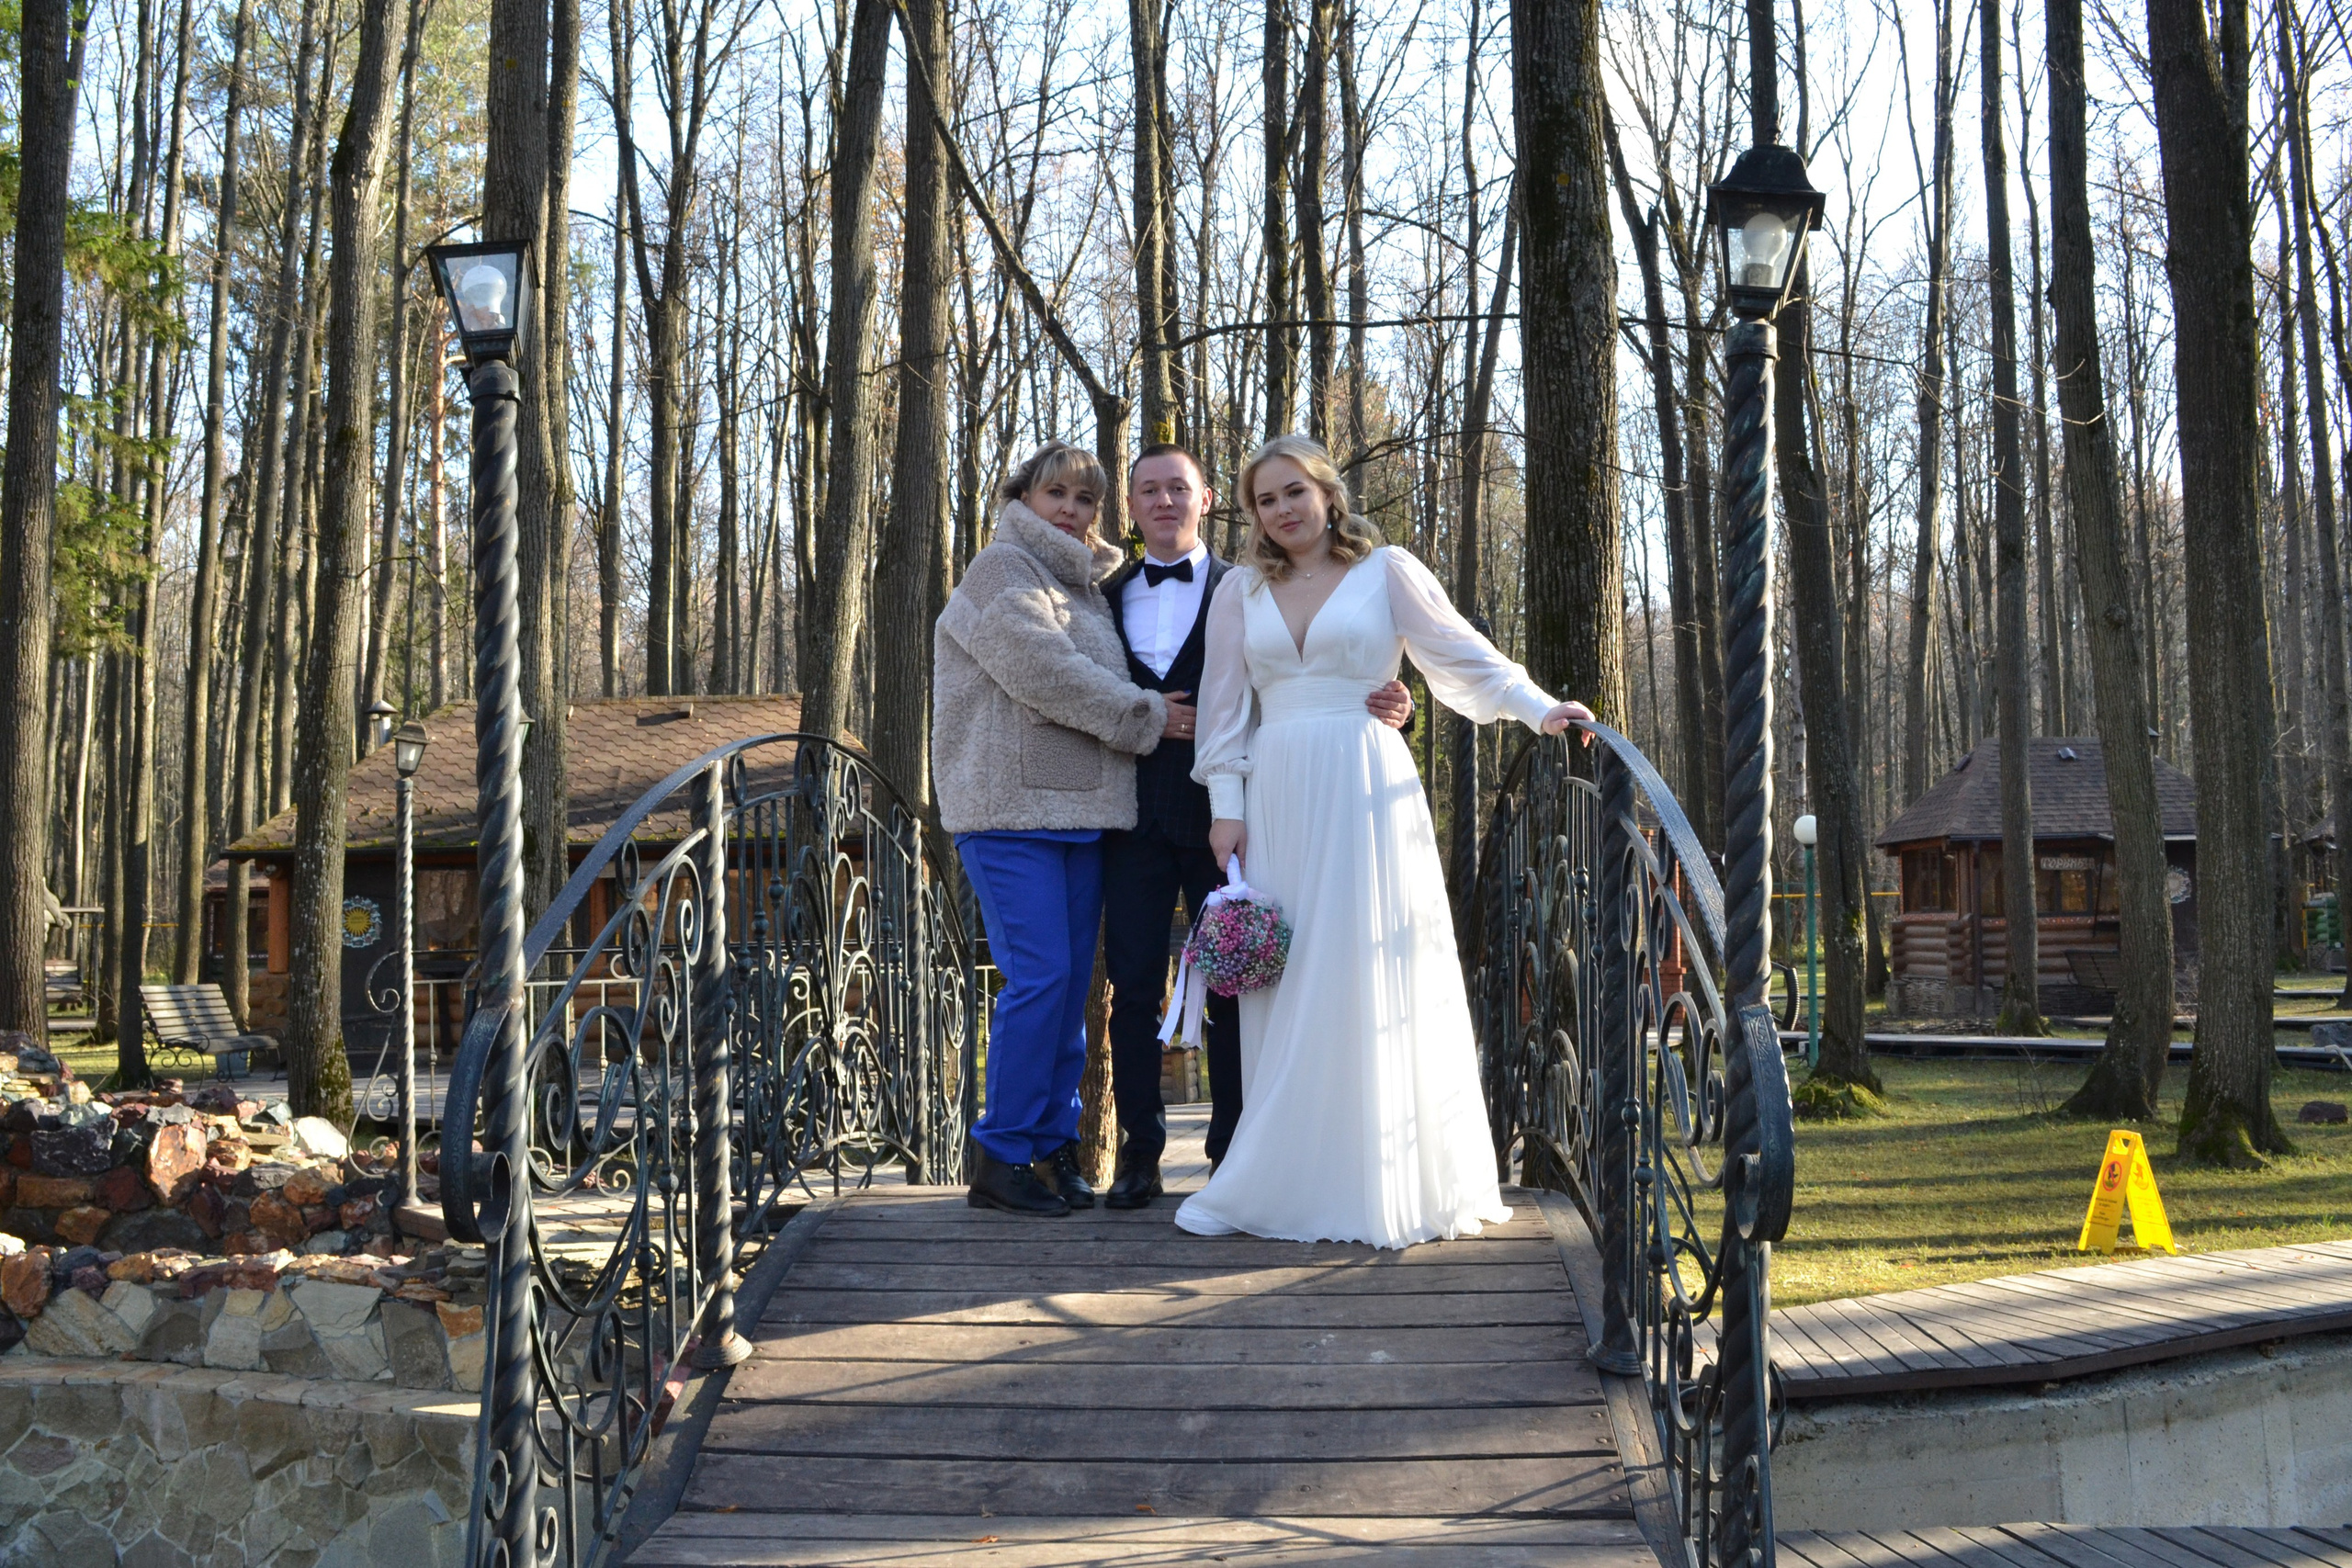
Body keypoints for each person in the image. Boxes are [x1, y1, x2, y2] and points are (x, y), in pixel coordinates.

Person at [1178, 434, 1594, 1248]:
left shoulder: (1386, 570)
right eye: (1265, 499)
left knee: (1367, 965)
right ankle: (1289, 1173)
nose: (1282, 509)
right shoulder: (1238, 593)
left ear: (1329, 494)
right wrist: (1226, 803)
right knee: (1289, 977)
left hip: (1367, 784)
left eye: (1295, 491)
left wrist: (1540, 706)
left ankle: (1382, 1176)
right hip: (1278, 791)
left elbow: (1462, 657)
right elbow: (1223, 708)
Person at [1098, 443, 1413, 1209]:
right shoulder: (1099, 596)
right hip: (1127, 813)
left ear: (1207, 500)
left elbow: (1327, 669)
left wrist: (1399, 707)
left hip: (1241, 815)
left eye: (1180, 487)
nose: (1164, 500)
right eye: (1148, 490)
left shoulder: (1245, 585)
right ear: (1131, 507)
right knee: (1132, 986)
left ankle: (1234, 1151)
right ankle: (1139, 1154)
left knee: (1247, 981)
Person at [932, 442, 1182, 1216]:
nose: (1071, 509)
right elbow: (1045, 671)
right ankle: (1002, 1153)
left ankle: (1051, 1147)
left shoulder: (1083, 584)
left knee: (1073, 986)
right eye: (1056, 494)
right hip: (1007, 810)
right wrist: (1145, 715)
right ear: (1024, 497)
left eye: (1084, 499)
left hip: (1079, 811)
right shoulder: (1001, 571)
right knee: (1038, 977)